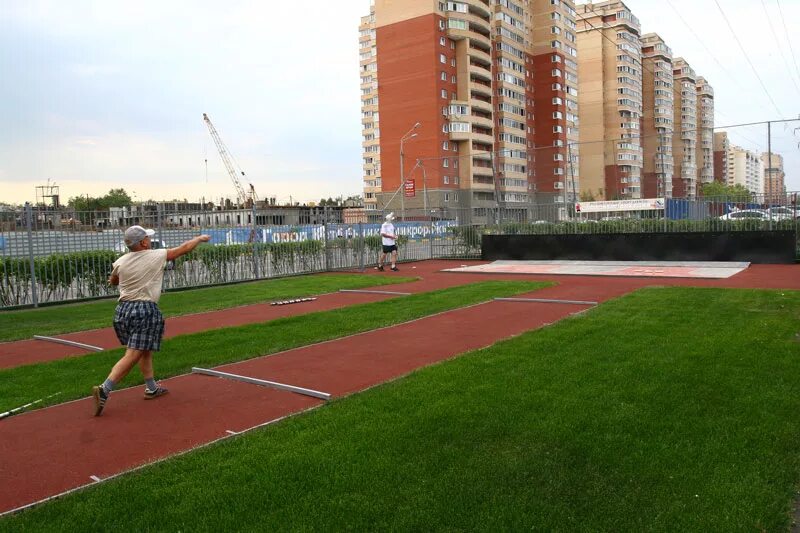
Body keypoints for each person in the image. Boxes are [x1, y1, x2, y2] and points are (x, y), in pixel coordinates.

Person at [92, 225, 211, 416]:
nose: (149, 240)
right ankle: (104, 389)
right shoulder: (155, 255)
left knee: (144, 350)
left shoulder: (120, 261)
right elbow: (183, 249)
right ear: (143, 242)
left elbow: (113, 280)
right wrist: (199, 238)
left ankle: (151, 388)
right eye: (147, 237)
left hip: (122, 311)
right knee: (133, 354)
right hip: (144, 310)